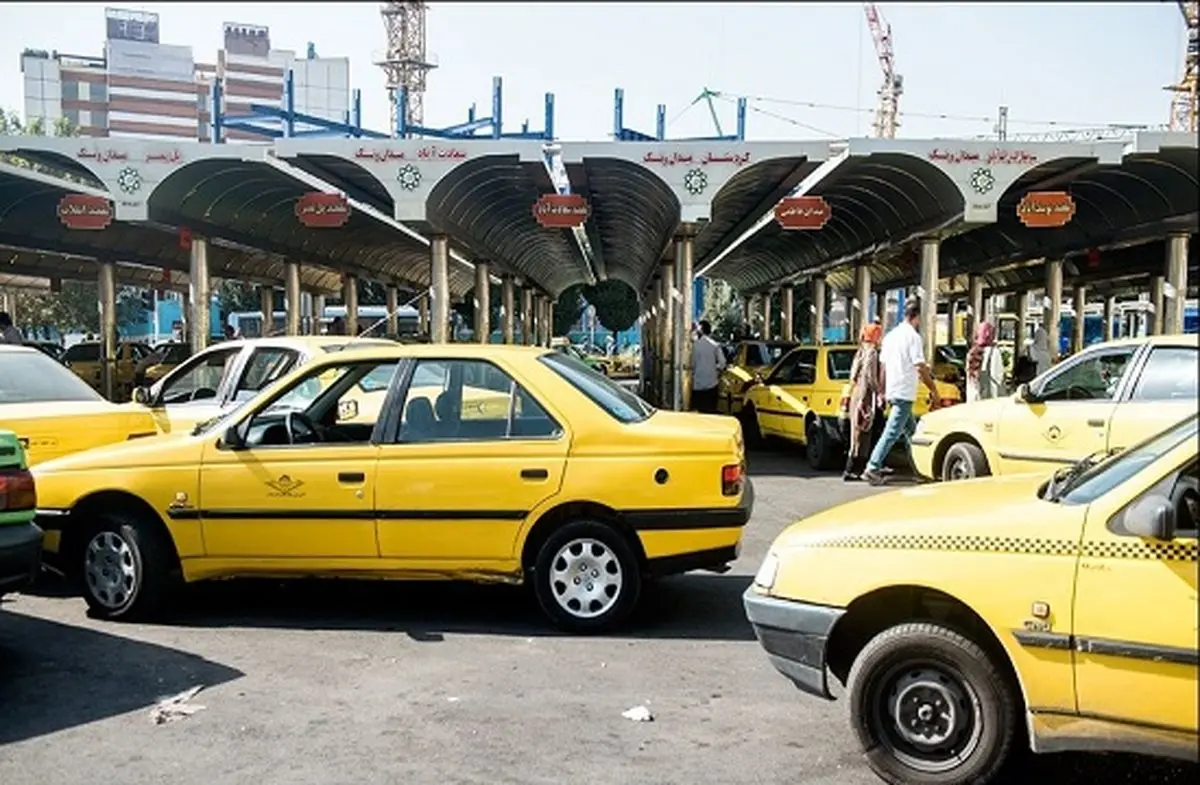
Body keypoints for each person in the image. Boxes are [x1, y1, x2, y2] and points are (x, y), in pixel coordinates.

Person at [862, 299, 941, 486]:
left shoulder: (891, 336)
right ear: (917, 317)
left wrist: (882, 391)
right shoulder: (913, 337)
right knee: (892, 432)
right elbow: (920, 367)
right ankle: (872, 467)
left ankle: (920, 468)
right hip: (905, 391)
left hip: (893, 390)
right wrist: (933, 389)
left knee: (912, 434)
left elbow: (883, 367)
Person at [843, 322, 884, 482]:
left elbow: (853, 375)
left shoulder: (860, 351)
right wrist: (878, 391)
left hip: (856, 392)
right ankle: (857, 469)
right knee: (864, 431)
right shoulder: (872, 353)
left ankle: (850, 468)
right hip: (865, 394)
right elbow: (870, 375)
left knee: (856, 432)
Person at [965, 321, 1007, 403]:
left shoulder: (971, 352)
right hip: (989, 400)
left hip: (972, 400)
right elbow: (997, 377)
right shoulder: (994, 352)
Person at [690, 319, 726, 414]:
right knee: (710, 412)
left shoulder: (695, 346)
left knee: (698, 412)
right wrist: (716, 369)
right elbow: (723, 363)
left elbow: (692, 364)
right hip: (711, 384)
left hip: (697, 384)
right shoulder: (715, 345)